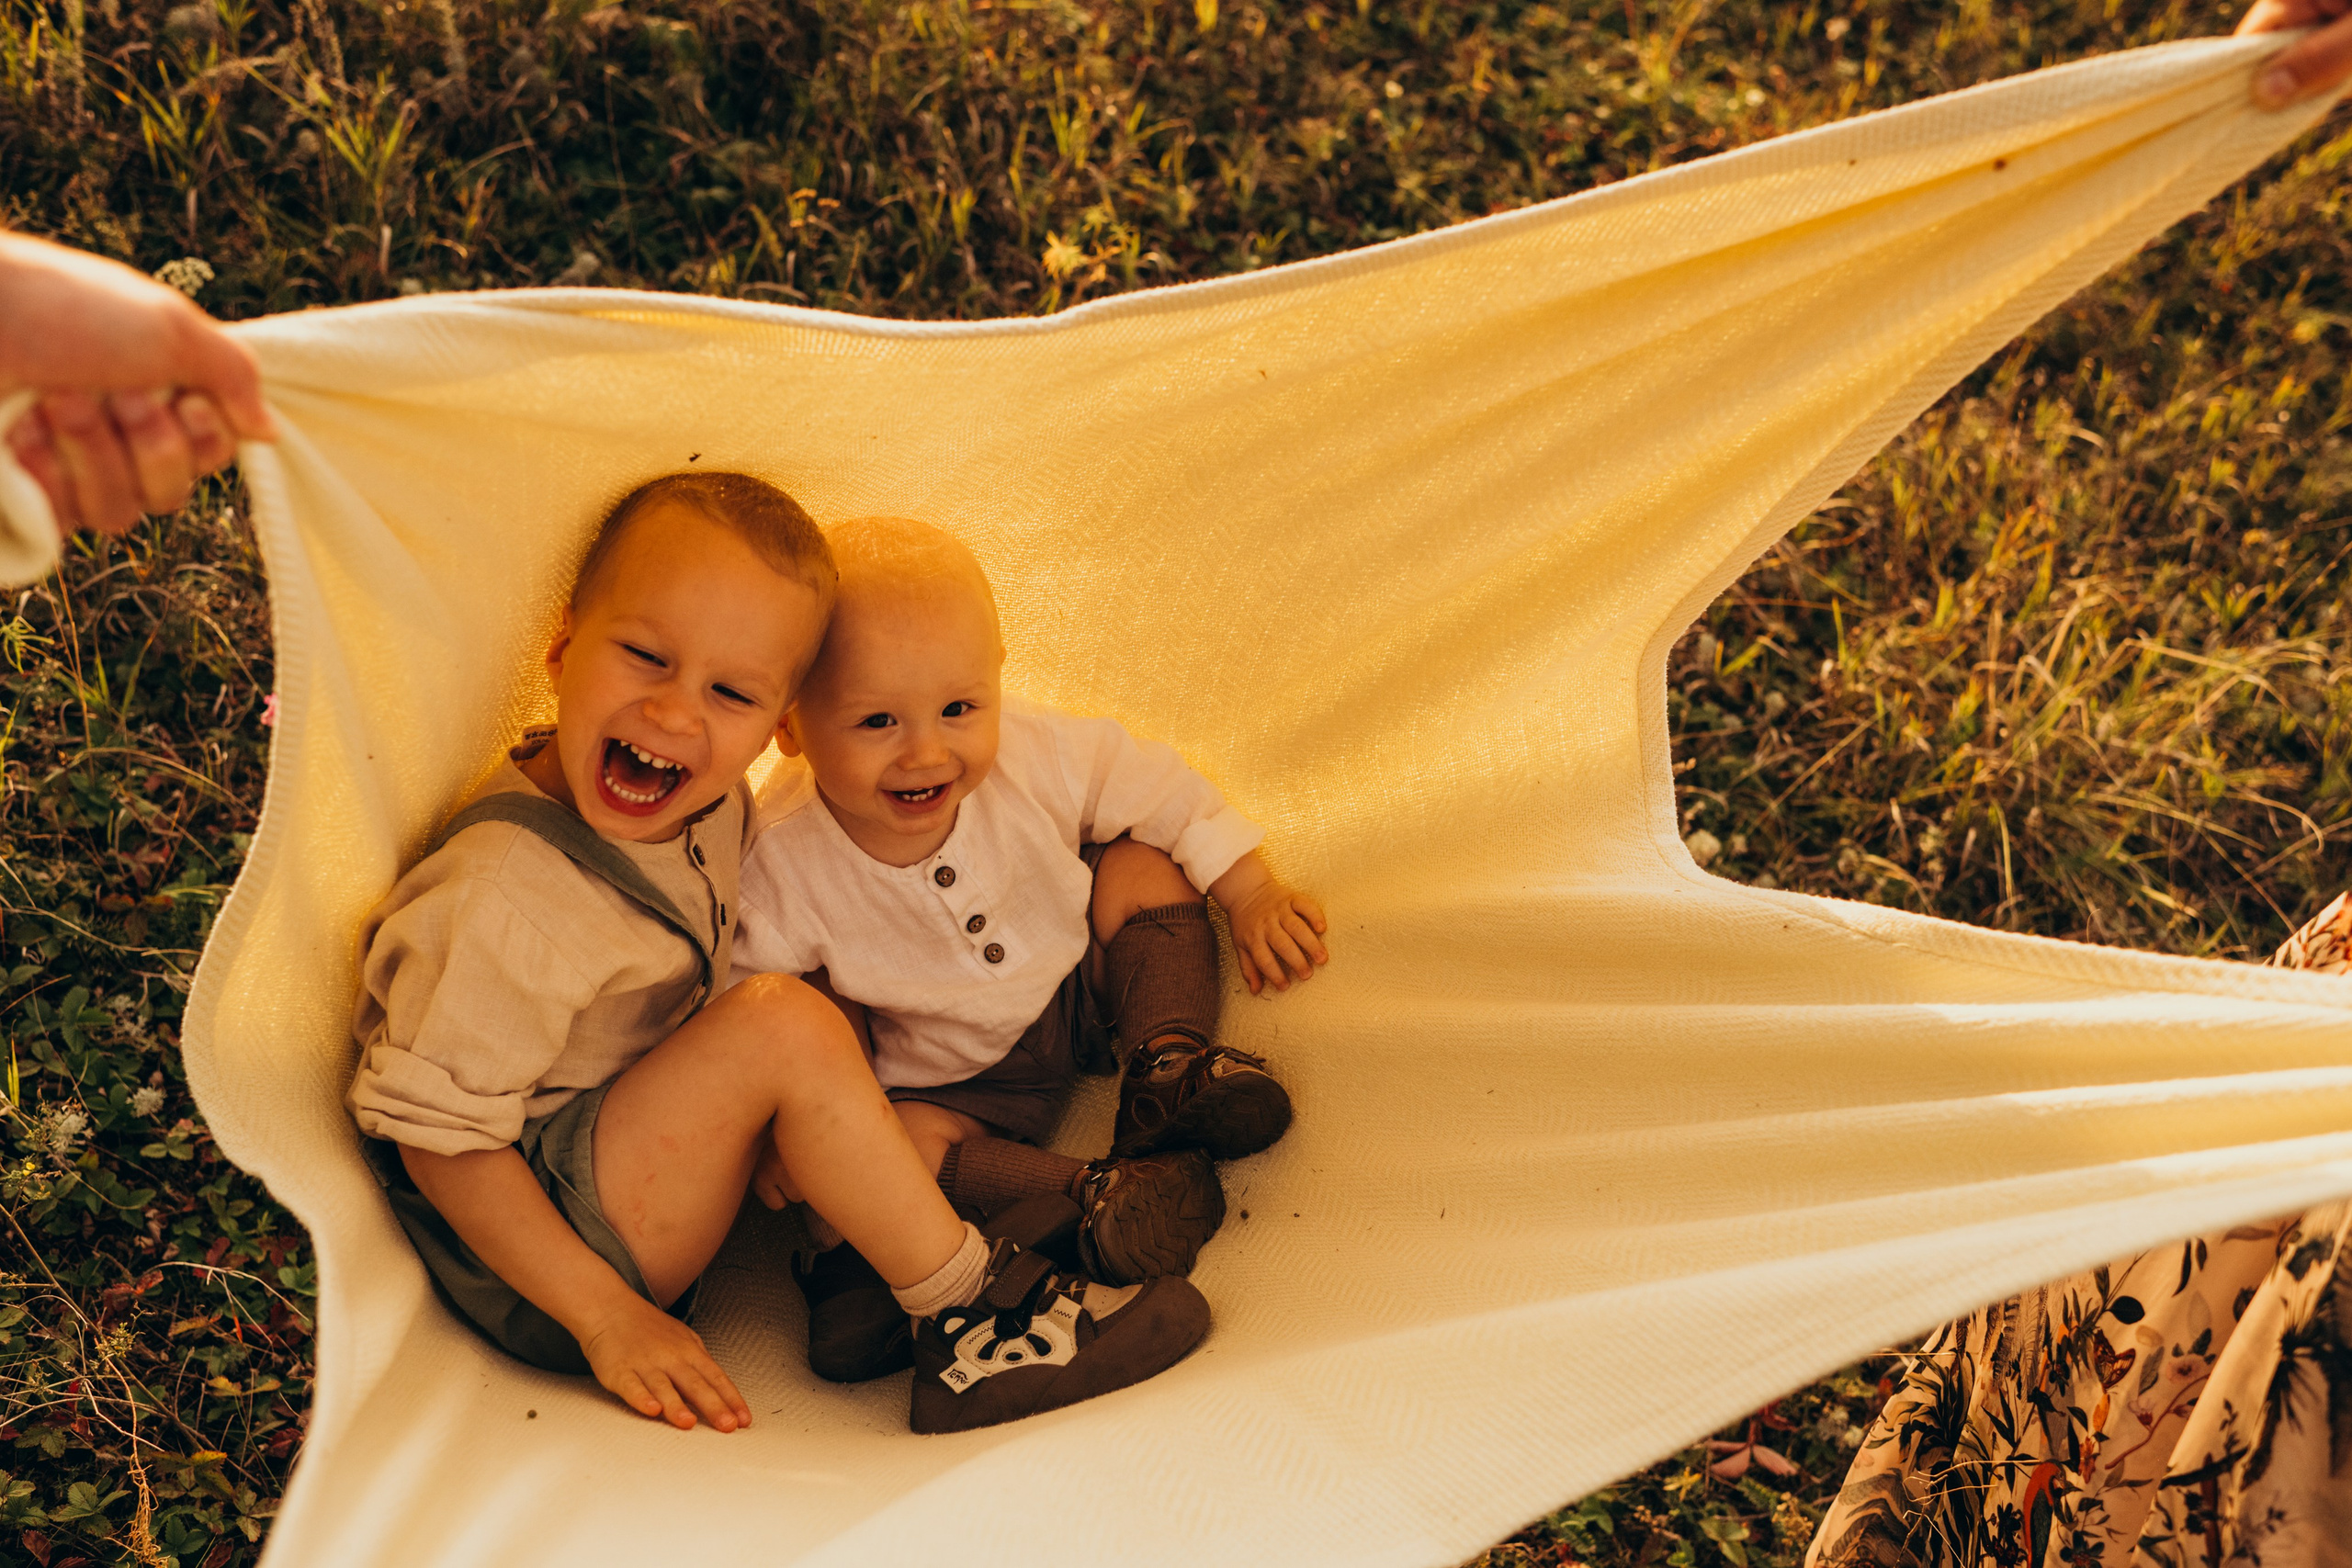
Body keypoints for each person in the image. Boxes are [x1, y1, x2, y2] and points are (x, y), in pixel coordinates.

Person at [345, 472, 1211, 1435]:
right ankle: (975, 1328)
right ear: (559, 651)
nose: (677, 716)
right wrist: (605, 1319)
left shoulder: (704, 797)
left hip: (633, 1145)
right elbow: (439, 1142)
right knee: (784, 1025)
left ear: (776, 727)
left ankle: (863, 1279)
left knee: (807, 1017)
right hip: (553, 1252)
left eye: (731, 693)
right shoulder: (502, 902)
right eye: (643, 657)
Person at [734, 515, 1326, 1381]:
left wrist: (1251, 889)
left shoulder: (1035, 752)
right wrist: (770, 1141)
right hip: (951, 1082)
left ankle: (1171, 1066)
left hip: (1079, 988)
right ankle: (1095, 1195)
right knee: (892, 1148)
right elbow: (747, 1007)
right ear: (789, 725)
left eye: (959, 708)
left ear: (997, 679)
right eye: (876, 721)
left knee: (1141, 862)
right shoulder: (782, 856)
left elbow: (1155, 786)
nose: (926, 751)